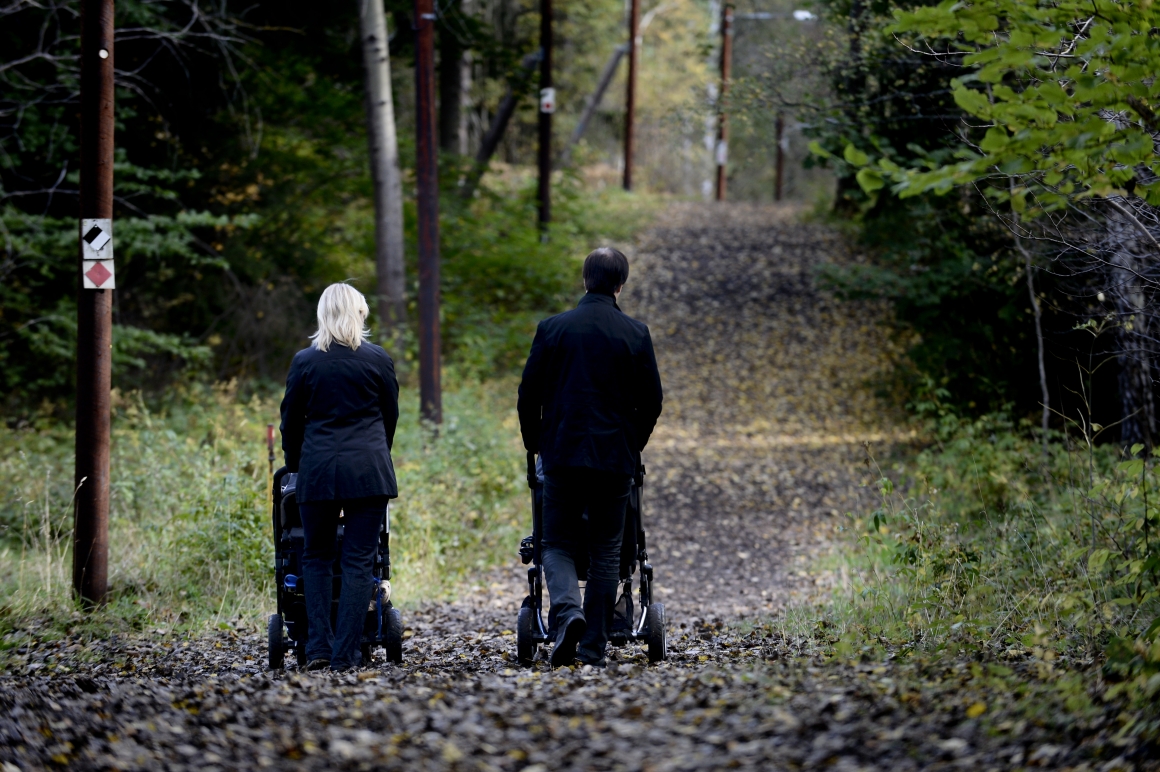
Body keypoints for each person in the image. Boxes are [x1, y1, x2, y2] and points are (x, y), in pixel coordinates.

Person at [517, 247, 664, 667]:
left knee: (556, 544)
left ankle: (568, 614)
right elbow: (652, 400)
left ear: (585, 281)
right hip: (614, 458)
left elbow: (528, 395)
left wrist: (536, 443)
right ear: (621, 285)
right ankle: (593, 647)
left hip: (561, 453)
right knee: (606, 551)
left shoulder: (553, 329)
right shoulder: (635, 333)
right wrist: (633, 442)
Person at [280, 283, 399, 671]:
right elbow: (390, 416)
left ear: (322, 316)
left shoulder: (305, 362)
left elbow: (290, 422)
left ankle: (318, 647)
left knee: (315, 556)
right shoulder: (378, 359)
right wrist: (378, 454)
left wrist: (296, 464)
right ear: (358, 314)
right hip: (368, 470)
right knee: (359, 561)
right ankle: (346, 654)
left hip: (318, 470)